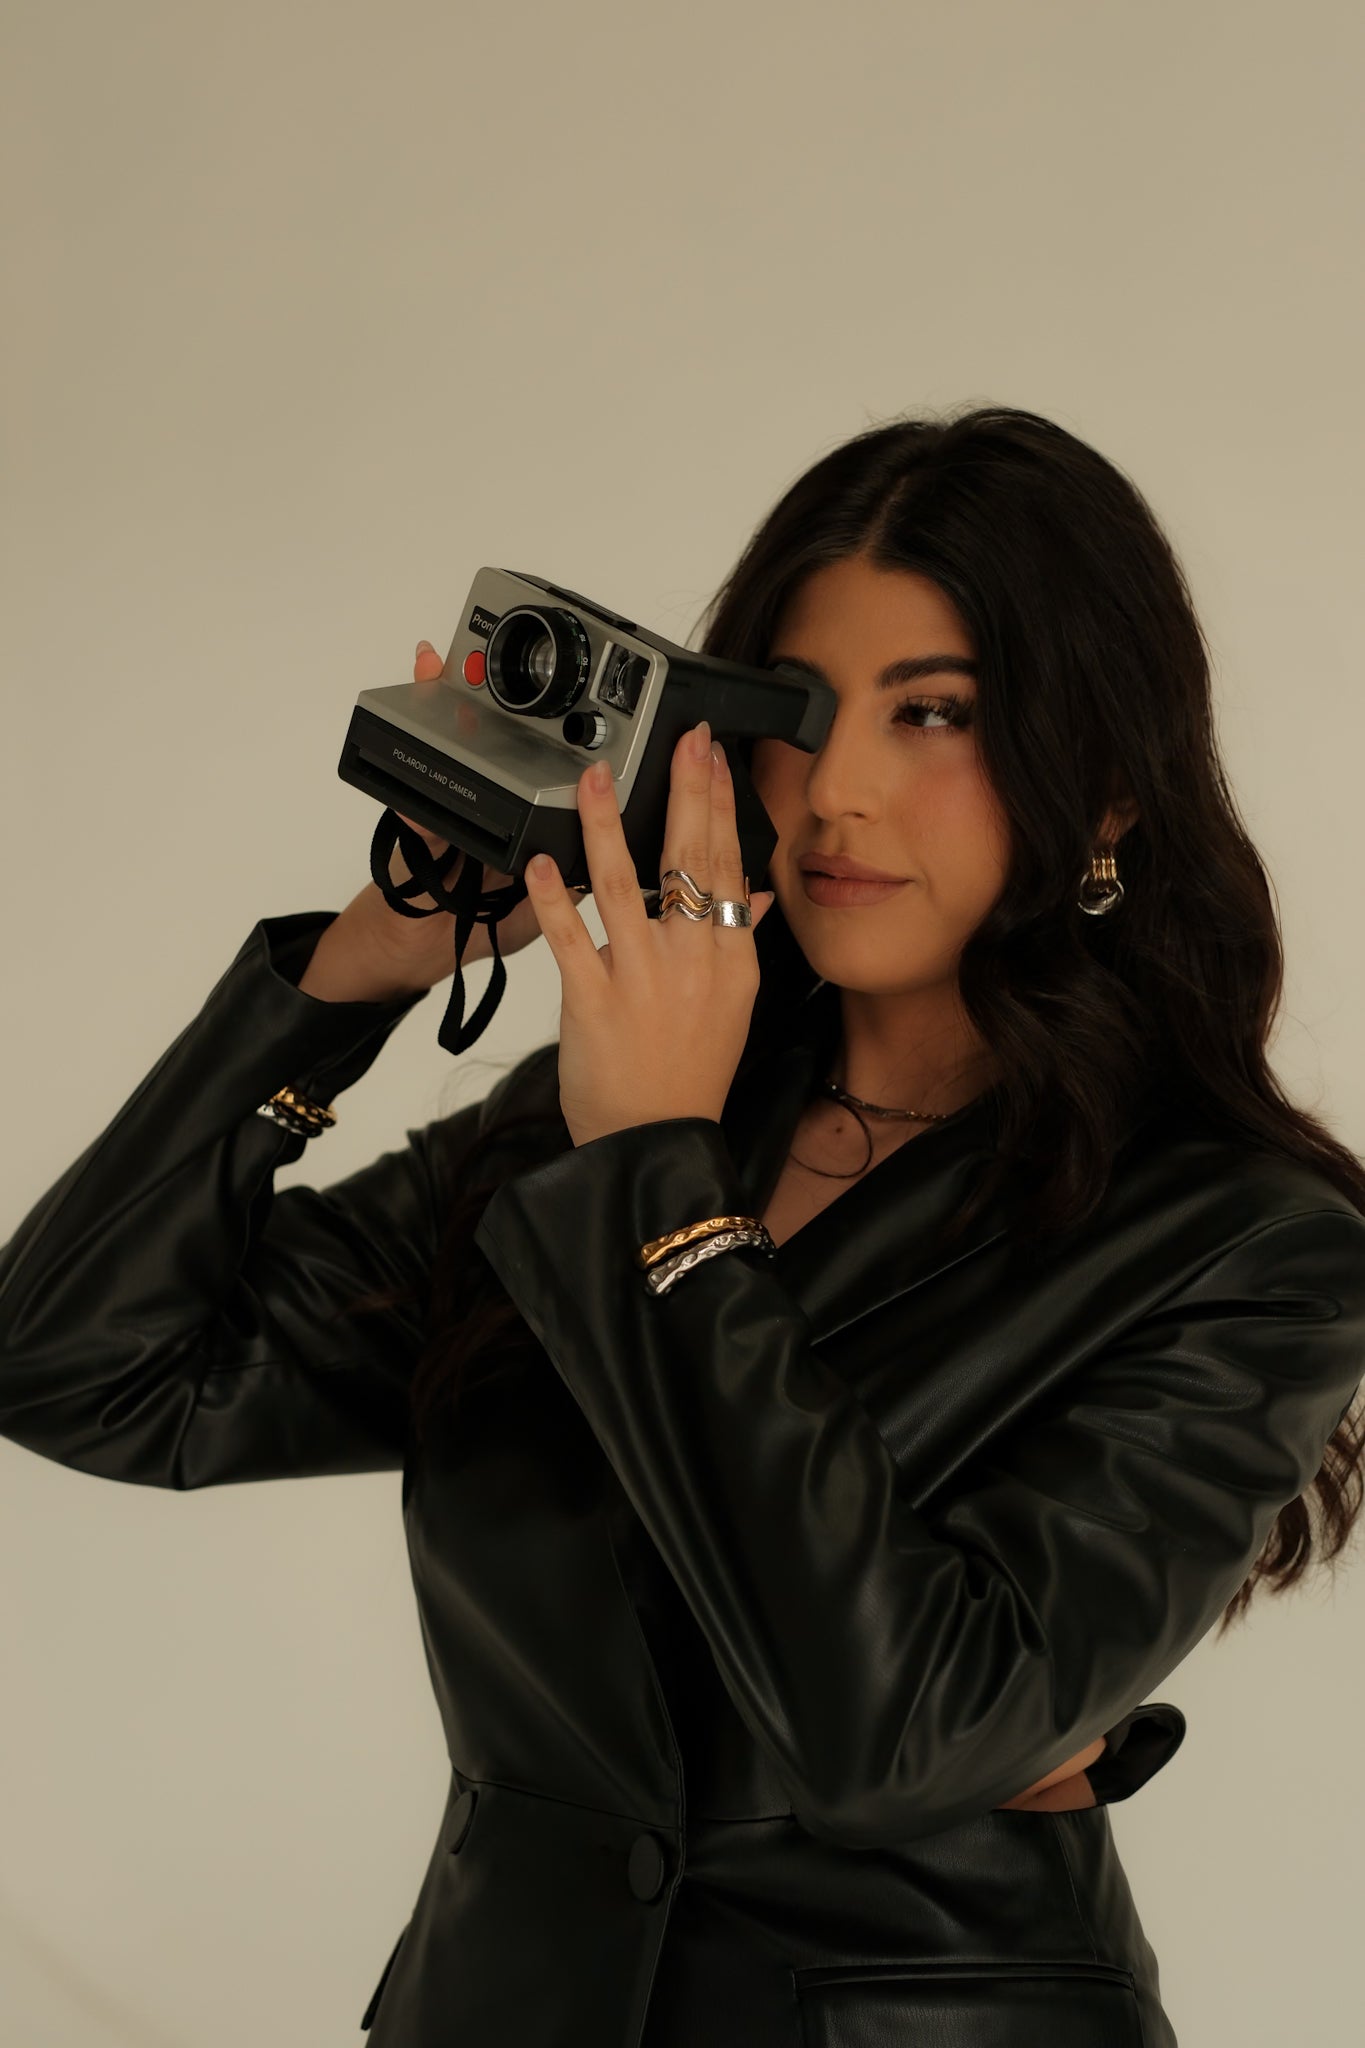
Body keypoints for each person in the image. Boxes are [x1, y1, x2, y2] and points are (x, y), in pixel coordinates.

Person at [2, 404, 1362, 2048]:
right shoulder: (580, 1128)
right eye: (798, 715)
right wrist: (359, 969)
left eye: (934, 715)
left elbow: (896, 1732)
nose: (837, 791)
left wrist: (657, 1174)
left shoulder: (1242, 1246)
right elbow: (88, 1369)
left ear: (1111, 792)